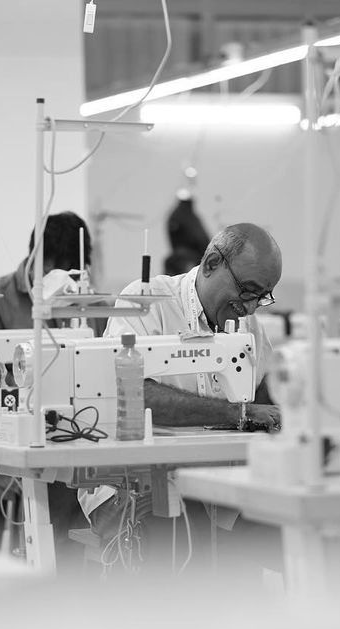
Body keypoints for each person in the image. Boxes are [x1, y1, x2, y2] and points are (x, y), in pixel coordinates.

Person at [81, 223, 283, 576]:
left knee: (298, 531)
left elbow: (265, 403)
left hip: (216, 488)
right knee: (185, 543)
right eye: (247, 290)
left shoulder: (249, 329)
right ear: (211, 263)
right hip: (131, 484)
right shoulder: (147, 303)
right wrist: (236, 413)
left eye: (262, 296)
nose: (251, 308)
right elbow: (134, 393)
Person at [0, 211, 92, 331]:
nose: (61, 287)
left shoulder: (92, 303)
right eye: (50, 274)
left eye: (70, 278)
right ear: (33, 259)